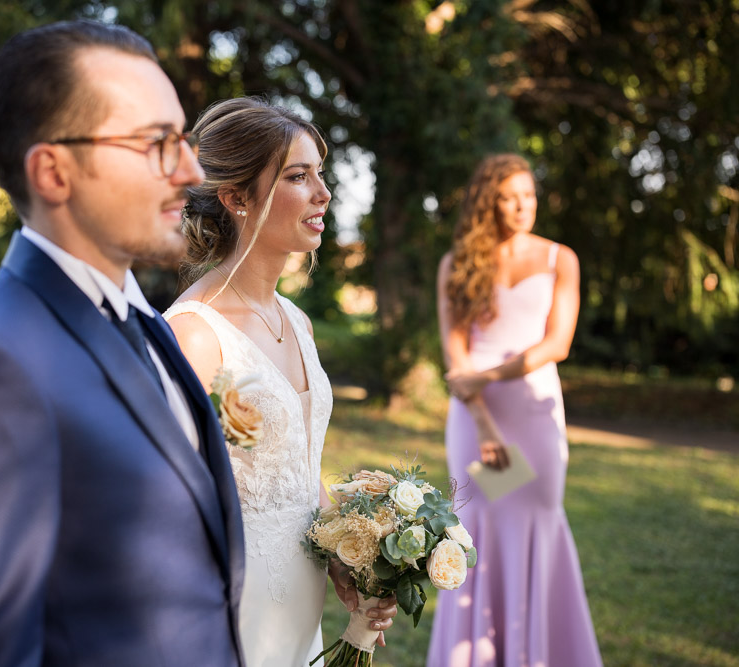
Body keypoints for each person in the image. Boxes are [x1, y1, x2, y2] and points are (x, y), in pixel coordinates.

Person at [0, 20, 245, 666]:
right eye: (157, 143)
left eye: (183, 139)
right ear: (53, 170)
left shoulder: (147, 323)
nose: (190, 169)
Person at [164, 97, 397, 666]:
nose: (323, 192)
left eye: (321, 172)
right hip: (234, 606)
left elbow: (294, 462)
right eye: (298, 176)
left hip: (303, 598)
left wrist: (341, 550)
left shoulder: (297, 320)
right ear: (237, 198)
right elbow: (177, 499)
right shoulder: (197, 335)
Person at [427, 154, 602, 666]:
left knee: (541, 517)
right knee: (478, 525)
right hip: (475, 419)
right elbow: (455, 358)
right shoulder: (457, 262)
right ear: (490, 202)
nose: (522, 206)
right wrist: (483, 419)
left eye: (529, 195)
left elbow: (557, 345)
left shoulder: (559, 259)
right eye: (509, 196)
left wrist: (490, 374)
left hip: (535, 415)